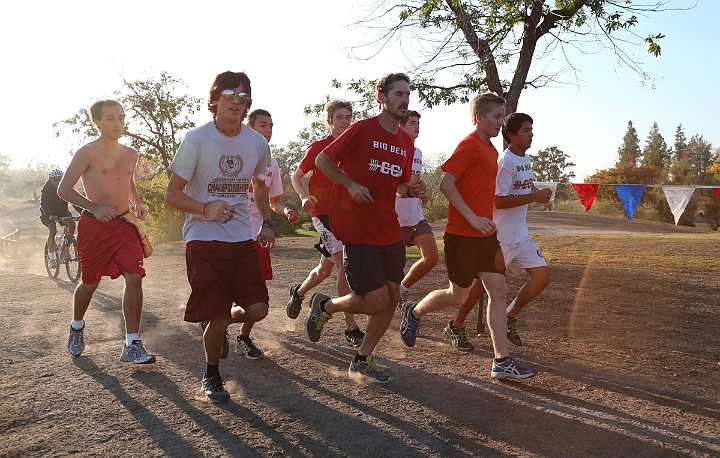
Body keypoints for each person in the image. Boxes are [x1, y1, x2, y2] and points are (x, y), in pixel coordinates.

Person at [399, 92, 537, 380]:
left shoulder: (490, 150)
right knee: (457, 296)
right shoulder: (470, 145)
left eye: (502, 116)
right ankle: (414, 313)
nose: (501, 122)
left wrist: (483, 221)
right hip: (461, 235)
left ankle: (501, 361)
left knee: (498, 292)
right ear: (479, 118)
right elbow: (447, 184)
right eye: (496, 117)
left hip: (486, 236)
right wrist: (472, 218)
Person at [306, 73, 425, 383]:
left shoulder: (405, 141)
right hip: (357, 226)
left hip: (388, 229)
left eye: (407, 95)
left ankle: (363, 358)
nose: (404, 99)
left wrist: (412, 190)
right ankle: (326, 306)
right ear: (381, 96)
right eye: (398, 94)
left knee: (390, 296)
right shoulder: (362, 130)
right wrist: (350, 183)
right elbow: (322, 160)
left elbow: (399, 188)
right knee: (374, 300)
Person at [165, 71, 274, 403]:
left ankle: (220, 324)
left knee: (258, 309)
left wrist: (267, 222)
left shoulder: (257, 143)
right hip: (202, 238)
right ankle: (211, 374)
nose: (236, 102)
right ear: (214, 100)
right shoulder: (196, 139)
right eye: (229, 94)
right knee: (215, 314)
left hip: (241, 238)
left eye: (243, 97)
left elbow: (259, 186)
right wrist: (205, 208)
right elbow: (171, 195)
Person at [57, 99, 155, 365]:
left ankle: (132, 343)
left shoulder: (131, 153)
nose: (118, 123)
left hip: (124, 224)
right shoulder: (86, 152)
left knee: (135, 276)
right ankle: (77, 327)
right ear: (97, 122)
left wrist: (138, 202)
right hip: (94, 227)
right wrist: (94, 207)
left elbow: (128, 179)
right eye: (111, 118)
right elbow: (63, 189)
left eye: (121, 118)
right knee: (89, 283)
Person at [454, 113, 551, 348]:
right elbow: (498, 201)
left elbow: (519, 190)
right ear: (511, 135)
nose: (531, 134)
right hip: (501, 238)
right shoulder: (505, 162)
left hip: (521, 236)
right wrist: (534, 197)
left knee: (542, 277)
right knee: (478, 288)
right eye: (526, 130)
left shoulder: (525, 158)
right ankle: (455, 326)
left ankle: (509, 316)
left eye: (531, 129)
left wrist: (537, 193)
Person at [287, 99, 365, 347]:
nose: (345, 121)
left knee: (325, 269)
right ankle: (350, 326)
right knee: (345, 264)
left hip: (347, 215)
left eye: (348, 117)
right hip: (322, 213)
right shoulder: (319, 147)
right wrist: (303, 197)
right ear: (329, 121)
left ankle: (298, 293)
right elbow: (296, 175)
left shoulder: (355, 149)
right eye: (339, 117)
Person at [232, 108, 299, 359]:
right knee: (231, 286)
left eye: (271, 126)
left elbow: (274, 201)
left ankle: (243, 337)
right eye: (263, 125)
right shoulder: (232, 155)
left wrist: (285, 210)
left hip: (259, 235)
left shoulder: (272, 163)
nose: (268, 130)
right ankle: (216, 323)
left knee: (258, 293)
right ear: (249, 127)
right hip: (232, 232)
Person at [395, 110, 439, 308]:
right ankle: (378, 304)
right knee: (390, 271)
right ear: (401, 126)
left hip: (415, 218)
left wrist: (421, 194)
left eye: (418, 123)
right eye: (412, 122)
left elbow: (414, 182)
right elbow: (394, 186)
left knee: (432, 257)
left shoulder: (418, 152)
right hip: (394, 221)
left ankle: (402, 289)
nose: (417, 126)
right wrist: (408, 192)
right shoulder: (394, 151)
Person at [40, 169, 76, 269]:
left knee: (72, 223)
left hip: (62, 211)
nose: (58, 182)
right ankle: (51, 259)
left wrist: (83, 211)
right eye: (55, 180)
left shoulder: (66, 187)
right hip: (48, 212)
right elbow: (43, 204)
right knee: (52, 230)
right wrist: (49, 215)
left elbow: (74, 200)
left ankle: (67, 245)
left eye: (60, 179)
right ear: (50, 179)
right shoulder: (46, 189)